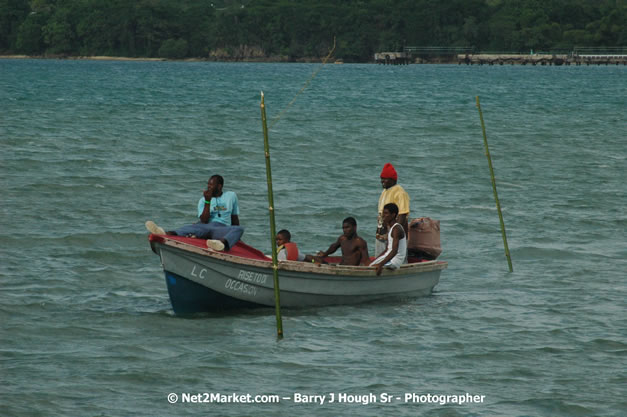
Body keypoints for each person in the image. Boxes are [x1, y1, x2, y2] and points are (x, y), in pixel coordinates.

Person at [145, 174, 244, 251]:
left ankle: (220, 244)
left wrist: (236, 238)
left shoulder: (231, 196)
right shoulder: (203, 200)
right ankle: (164, 233)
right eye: (208, 185)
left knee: (239, 229)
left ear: (219, 186)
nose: (208, 187)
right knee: (188, 228)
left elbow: (234, 218)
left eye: (211, 185)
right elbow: (204, 220)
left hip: (222, 228)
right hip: (204, 225)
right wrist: (208, 201)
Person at [376, 163, 410, 257]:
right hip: (382, 235)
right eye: (381, 178)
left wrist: (393, 236)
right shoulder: (384, 191)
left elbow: (402, 216)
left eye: (385, 178)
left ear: (392, 179)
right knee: (379, 258)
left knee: (396, 261)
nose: (382, 181)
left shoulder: (400, 192)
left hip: (394, 237)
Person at [371, 203, 407, 275]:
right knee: (370, 265)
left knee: (372, 268)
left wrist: (380, 264)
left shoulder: (396, 229)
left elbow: (394, 251)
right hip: (389, 257)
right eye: (383, 213)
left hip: (395, 260)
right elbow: (387, 249)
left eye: (386, 213)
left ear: (393, 215)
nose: (383, 215)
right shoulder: (391, 228)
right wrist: (376, 260)